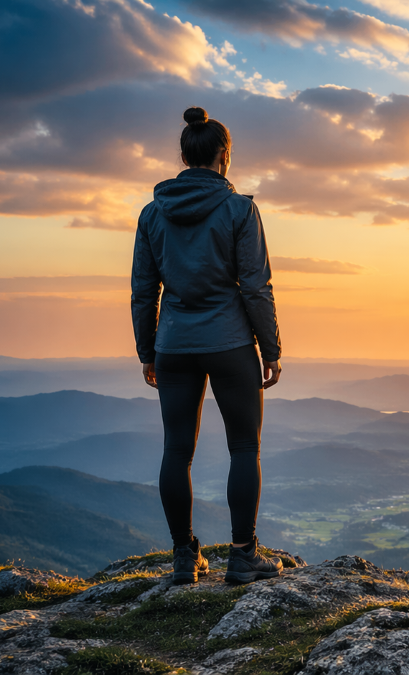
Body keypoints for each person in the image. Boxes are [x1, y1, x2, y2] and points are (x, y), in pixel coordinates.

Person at [131, 106, 284, 585]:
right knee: (244, 446)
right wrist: (271, 348)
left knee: (176, 450)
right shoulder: (240, 210)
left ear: (183, 155)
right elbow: (256, 286)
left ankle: (183, 557)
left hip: (174, 344)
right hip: (231, 341)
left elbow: (142, 289)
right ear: (225, 156)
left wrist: (147, 351)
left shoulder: (153, 214)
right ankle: (242, 556)